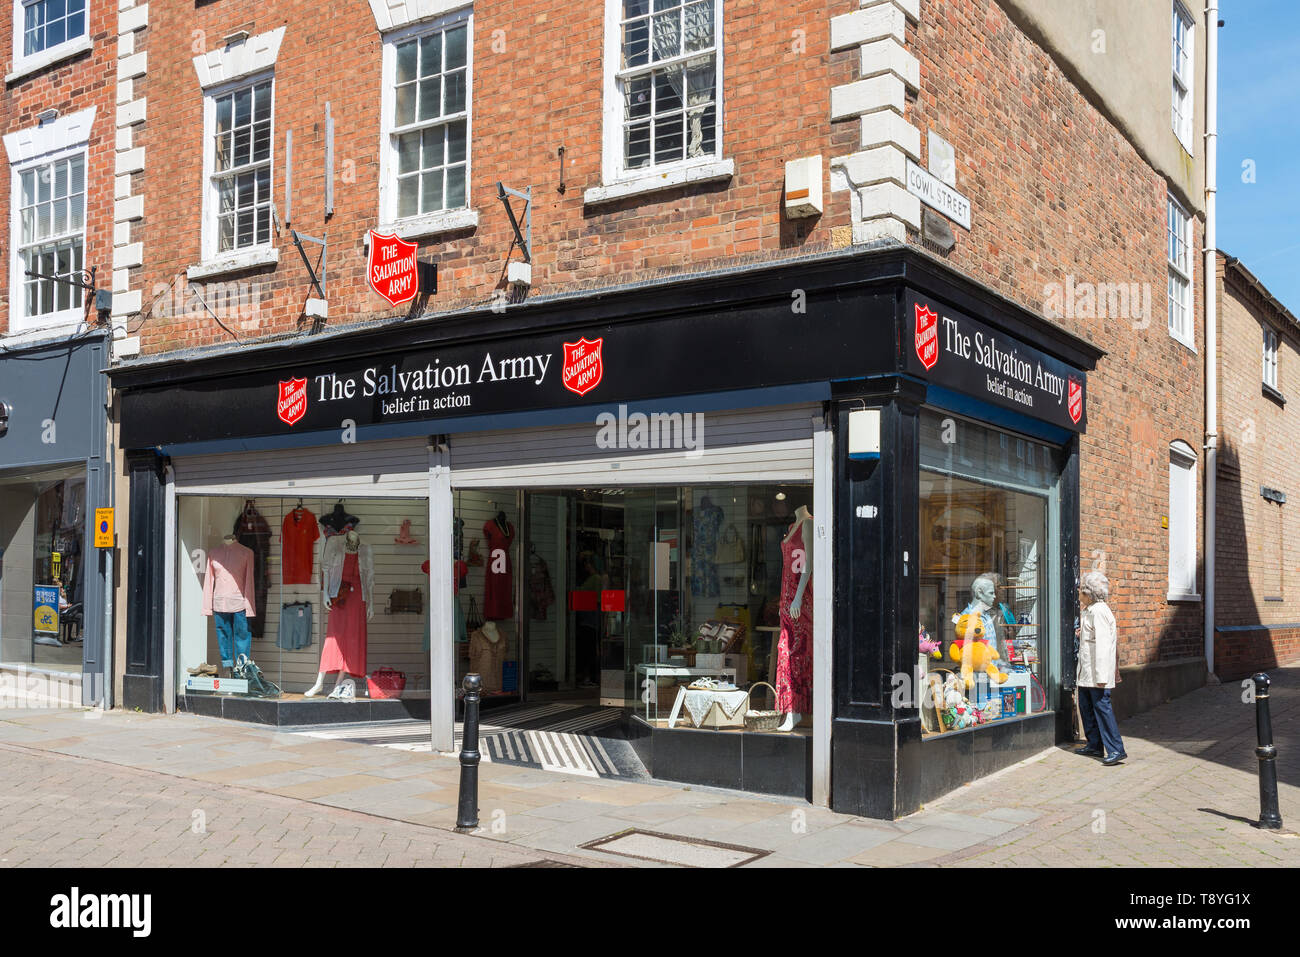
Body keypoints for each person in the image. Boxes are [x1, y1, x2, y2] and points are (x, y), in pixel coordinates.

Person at [1074, 570, 1127, 765]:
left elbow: (1104, 645)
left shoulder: (1099, 611)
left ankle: (1116, 749)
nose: (1078, 592)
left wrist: (1102, 676)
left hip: (1097, 673)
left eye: (1081, 590)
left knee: (1102, 709)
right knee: (1086, 707)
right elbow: (1094, 638)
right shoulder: (1090, 610)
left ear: (1088, 593)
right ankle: (1094, 745)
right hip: (1087, 671)